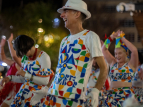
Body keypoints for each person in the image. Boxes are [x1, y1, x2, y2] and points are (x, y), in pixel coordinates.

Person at [31, 0, 107, 107]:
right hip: (53, 95)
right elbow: (59, 70)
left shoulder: (90, 36)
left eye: (66, 11)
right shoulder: (64, 40)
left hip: (73, 99)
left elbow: (104, 67)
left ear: (77, 14)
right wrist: (46, 88)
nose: (62, 15)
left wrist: (96, 90)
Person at [1, 35, 54, 107]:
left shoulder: (44, 57)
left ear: (26, 48)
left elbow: (45, 81)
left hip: (35, 97)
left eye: (23, 52)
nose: (23, 55)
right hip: (22, 94)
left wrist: (26, 75)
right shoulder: (25, 58)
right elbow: (25, 80)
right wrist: (10, 78)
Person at [102, 30, 138, 106]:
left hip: (127, 99)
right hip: (112, 98)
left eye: (120, 53)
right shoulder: (113, 63)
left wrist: (122, 38)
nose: (117, 56)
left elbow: (134, 50)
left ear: (126, 53)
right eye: (115, 53)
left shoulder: (131, 64)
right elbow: (103, 49)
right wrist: (111, 37)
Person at [0, 34, 22, 107]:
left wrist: (9, 42)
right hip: (9, 92)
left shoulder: (23, 64)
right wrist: (1, 46)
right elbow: (3, 58)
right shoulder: (13, 63)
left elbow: (14, 56)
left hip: (18, 94)